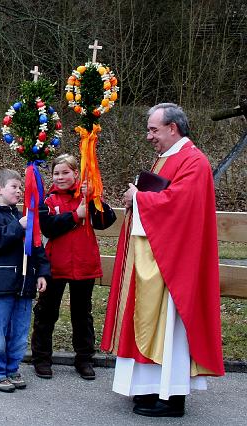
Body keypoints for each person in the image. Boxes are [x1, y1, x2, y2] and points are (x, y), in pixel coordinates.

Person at [101, 103, 225, 417]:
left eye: (154, 130)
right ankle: (150, 388)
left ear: (173, 128)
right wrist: (138, 198)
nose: (148, 136)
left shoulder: (193, 161)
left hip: (175, 263)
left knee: (171, 328)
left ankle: (172, 398)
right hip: (156, 258)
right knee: (152, 324)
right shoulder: (165, 158)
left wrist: (138, 199)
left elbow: (180, 205)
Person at [31, 154, 116, 381]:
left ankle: (84, 359)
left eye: (65, 173)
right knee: (46, 314)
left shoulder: (87, 196)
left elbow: (106, 220)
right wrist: (75, 216)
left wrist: (92, 198)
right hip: (54, 266)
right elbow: (48, 227)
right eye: (56, 173)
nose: (60, 177)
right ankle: (41, 358)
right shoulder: (47, 200)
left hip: (83, 265)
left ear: (75, 174)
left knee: (82, 315)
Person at [0, 169, 50, 392]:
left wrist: (43, 272)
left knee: (18, 333)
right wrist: (19, 227)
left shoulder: (22, 215)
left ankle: (11, 368)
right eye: (14, 187)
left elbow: (37, 245)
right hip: (1, 284)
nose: (19, 191)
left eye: (21, 187)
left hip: (24, 283)